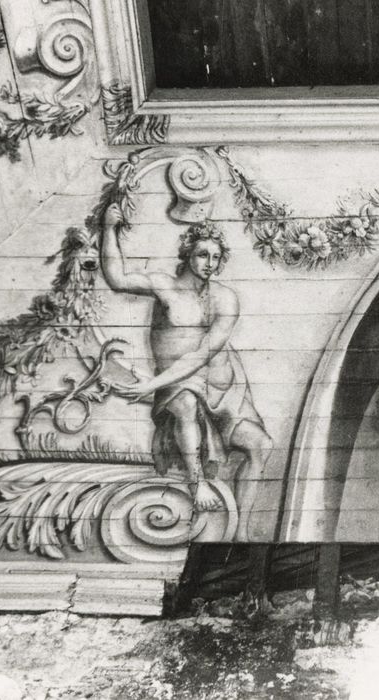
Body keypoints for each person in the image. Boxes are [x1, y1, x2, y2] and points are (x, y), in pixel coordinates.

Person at [100, 203, 274, 542]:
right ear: (187, 255)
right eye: (202, 255)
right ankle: (197, 483)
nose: (209, 263)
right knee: (185, 405)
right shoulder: (163, 286)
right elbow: (117, 278)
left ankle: (241, 533)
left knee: (261, 445)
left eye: (215, 257)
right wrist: (108, 229)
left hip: (222, 382)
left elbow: (203, 352)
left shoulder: (226, 299)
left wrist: (151, 384)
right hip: (179, 382)